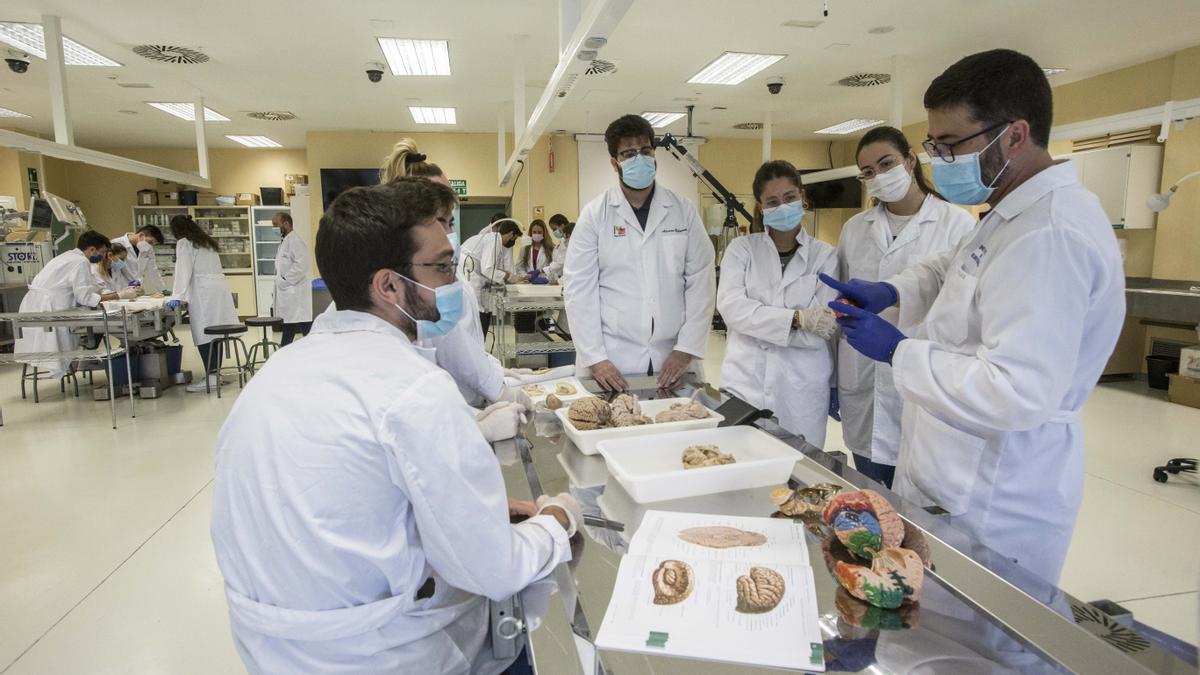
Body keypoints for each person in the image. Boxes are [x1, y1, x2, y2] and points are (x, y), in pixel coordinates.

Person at [211, 178, 580, 674]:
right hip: (382, 655)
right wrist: (557, 520)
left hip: (273, 652)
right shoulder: (415, 388)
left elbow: (351, 507)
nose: (453, 284)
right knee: (529, 615)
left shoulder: (276, 374)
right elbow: (493, 569)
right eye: (442, 267)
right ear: (388, 285)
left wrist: (473, 513)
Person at [821, 49, 1125, 583]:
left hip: (995, 494)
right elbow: (951, 271)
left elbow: (1016, 389)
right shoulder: (1009, 212)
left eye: (950, 144)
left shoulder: (1049, 234)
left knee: (979, 649)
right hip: (950, 471)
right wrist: (891, 288)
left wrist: (897, 351)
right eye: (933, 144)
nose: (939, 157)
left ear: (1014, 135)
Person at [835, 125, 975, 488]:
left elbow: (960, 309)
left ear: (911, 160)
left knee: (916, 505)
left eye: (886, 164)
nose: (879, 177)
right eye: (868, 173)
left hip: (923, 377)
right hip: (863, 380)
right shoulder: (854, 229)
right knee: (868, 493)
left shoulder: (957, 224)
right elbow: (843, 303)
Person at [564, 114, 716, 391]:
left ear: (655, 155)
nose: (640, 159)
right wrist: (596, 359)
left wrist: (686, 348)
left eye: (645, 151)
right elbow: (579, 290)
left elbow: (701, 282)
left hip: (675, 355)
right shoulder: (595, 215)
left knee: (676, 427)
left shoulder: (683, 211)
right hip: (612, 356)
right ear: (615, 163)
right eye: (629, 153)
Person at [717, 160, 838, 448]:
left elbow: (820, 328)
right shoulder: (742, 249)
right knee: (739, 462)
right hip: (745, 383)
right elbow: (732, 309)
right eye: (772, 201)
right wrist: (797, 319)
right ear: (760, 207)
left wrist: (759, 319)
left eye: (789, 198)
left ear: (802, 197)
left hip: (800, 388)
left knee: (798, 471)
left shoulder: (826, 256)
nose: (782, 207)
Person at [15, 231, 139, 377]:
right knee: (63, 342)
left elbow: (90, 287)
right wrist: (119, 295)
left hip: (35, 305)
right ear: (92, 249)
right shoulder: (81, 262)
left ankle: (82, 361)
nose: (102, 256)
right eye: (102, 252)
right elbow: (85, 298)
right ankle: (84, 361)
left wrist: (115, 293)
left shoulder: (67, 256)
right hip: (51, 309)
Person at [168, 214, 239, 393]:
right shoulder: (206, 242)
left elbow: (183, 270)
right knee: (217, 333)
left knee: (203, 333)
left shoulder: (184, 242)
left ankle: (212, 376)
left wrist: (177, 295)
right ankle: (216, 373)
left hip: (203, 292)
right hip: (219, 290)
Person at [462, 218, 521, 337]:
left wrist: (503, 275)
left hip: (470, 270)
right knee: (481, 310)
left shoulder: (491, 239)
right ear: (510, 234)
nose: (513, 241)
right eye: (514, 238)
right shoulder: (494, 241)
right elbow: (488, 269)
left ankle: (478, 345)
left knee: (480, 309)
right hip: (470, 273)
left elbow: (488, 266)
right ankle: (479, 346)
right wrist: (507, 276)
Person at [271, 212, 313, 346]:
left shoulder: (295, 241)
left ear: (286, 224)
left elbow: (302, 264)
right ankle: (315, 351)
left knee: (296, 325)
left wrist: (286, 279)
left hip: (295, 292)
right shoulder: (285, 242)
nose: (273, 228)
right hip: (290, 293)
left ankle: (284, 356)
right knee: (297, 325)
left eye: (275, 225)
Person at [111, 224, 165, 294]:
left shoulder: (148, 249)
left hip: (138, 290)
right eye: (150, 242)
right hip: (121, 290)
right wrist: (122, 291)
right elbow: (113, 273)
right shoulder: (116, 244)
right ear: (141, 235)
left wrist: (163, 290)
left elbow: (153, 271)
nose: (151, 246)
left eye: (153, 244)